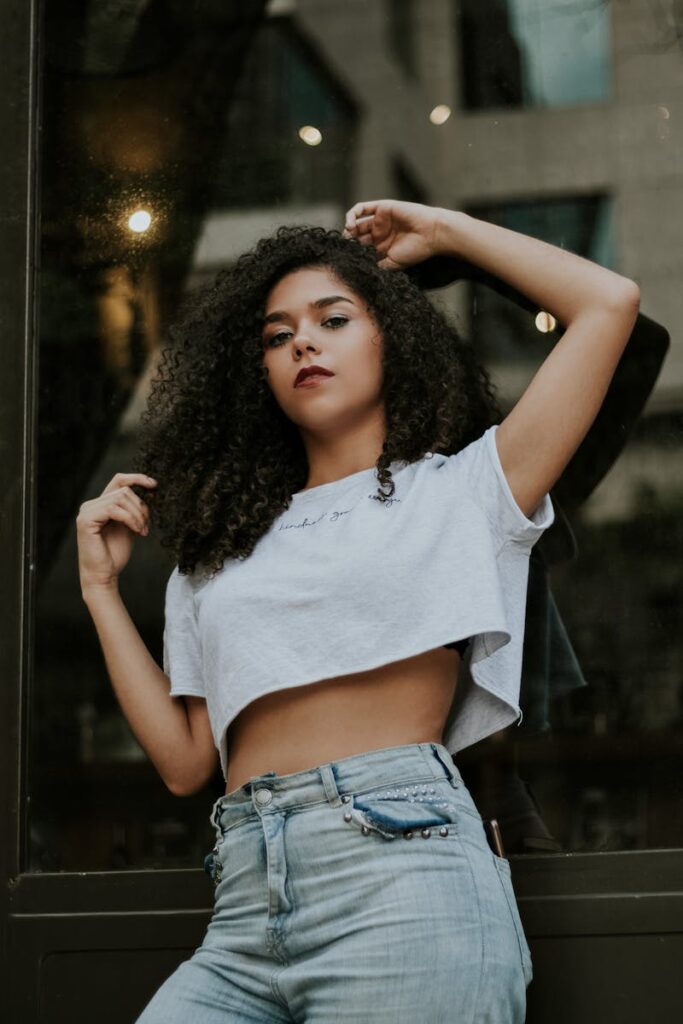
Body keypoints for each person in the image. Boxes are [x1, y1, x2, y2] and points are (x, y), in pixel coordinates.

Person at [76, 199, 640, 1022]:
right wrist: (99, 591)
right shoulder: (218, 550)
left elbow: (608, 302)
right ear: (259, 373)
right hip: (243, 901)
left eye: (332, 318)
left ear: (391, 339)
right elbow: (186, 763)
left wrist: (442, 234)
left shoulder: (464, 491)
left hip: (403, 878)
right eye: (277, 335)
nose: (301, 341)